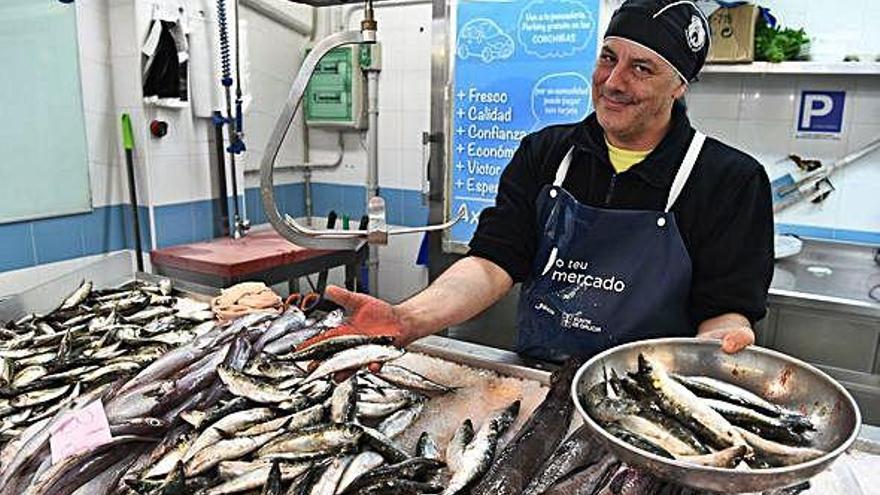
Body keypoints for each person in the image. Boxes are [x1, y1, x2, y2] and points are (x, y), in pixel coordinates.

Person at [307, 0, 774, 361]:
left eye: (641, 68)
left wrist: (722, 343)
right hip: (540, 377)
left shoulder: (730, 181)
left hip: (649, 398)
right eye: (608, 58)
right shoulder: (546, 152)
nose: (612, 81)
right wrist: (407, 319)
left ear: (679, 85)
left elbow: (725, 309)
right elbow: (494, 261)